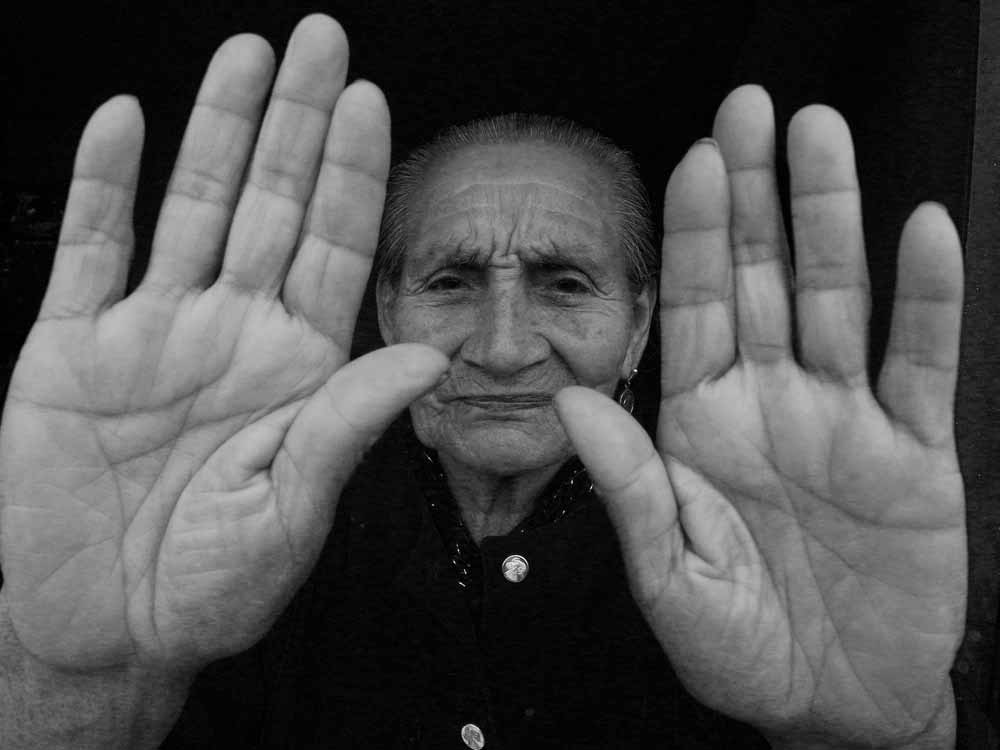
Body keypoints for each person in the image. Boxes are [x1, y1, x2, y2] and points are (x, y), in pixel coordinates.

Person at [0, 13, 971, 749]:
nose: (504, 348)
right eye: (452, 282)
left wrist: (859, 739)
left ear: (639, 323)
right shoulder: (239, 525)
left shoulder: (755, 546)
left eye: (565, 284)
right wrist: (87, 686)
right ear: (387, 311)